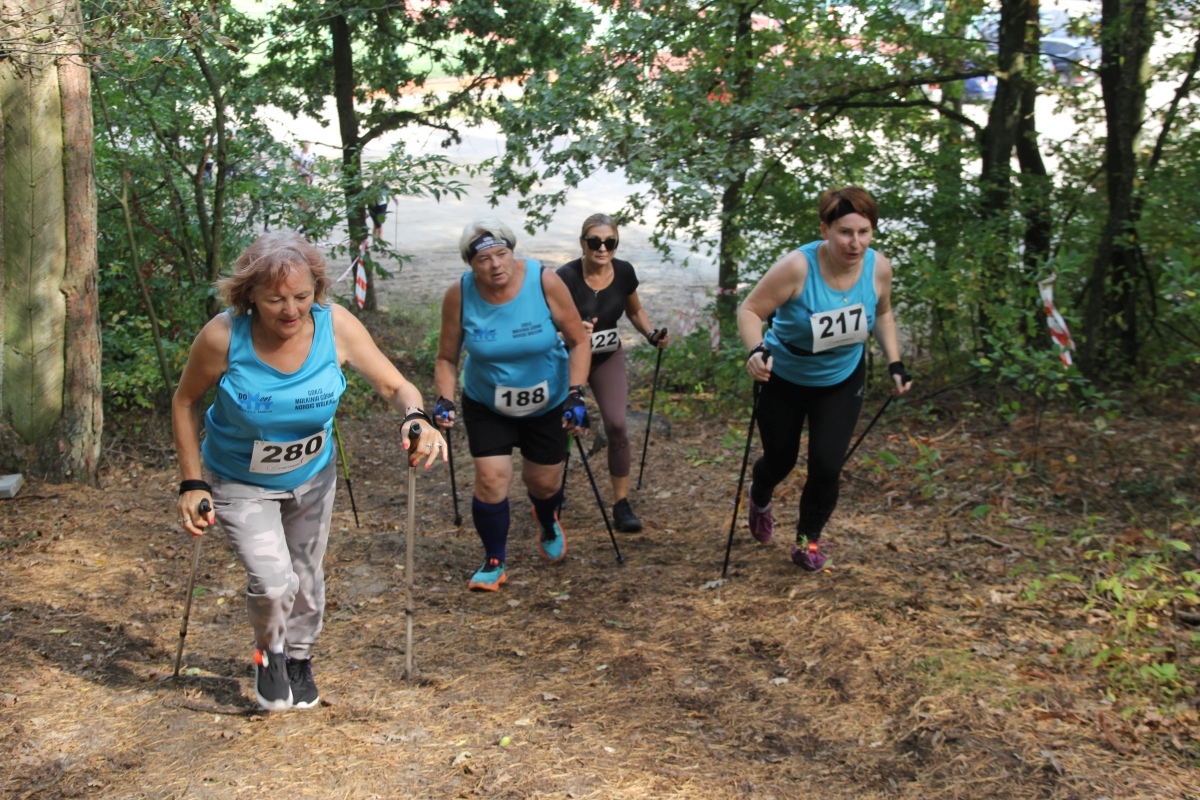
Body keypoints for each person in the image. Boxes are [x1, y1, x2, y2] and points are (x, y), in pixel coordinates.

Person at [172, 231, 446, 712]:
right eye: (276, 299)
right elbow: (185, 401)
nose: (291, 310)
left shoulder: (335, 325)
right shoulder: (223, 336)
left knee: (306, 576)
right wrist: (192, 482)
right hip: (239, 479)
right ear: (249, 295)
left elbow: (396, 385)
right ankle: (270, 650)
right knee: (275, 580)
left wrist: (415, 417)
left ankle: (299, 656)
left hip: (313, 476)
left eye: (301, 297)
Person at [737, 186, 912, 571]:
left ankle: (807, 541)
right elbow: (750, 310)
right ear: (825, 230)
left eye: (864, 232)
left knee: (827, 466)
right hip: (782, 376)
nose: (855, 242)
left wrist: (894, 363)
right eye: (845, 233)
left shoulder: (878, 267)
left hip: (841, 378)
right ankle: (760, 493)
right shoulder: (797, 267)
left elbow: (882, 314)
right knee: (780, 461)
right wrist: (755, 351)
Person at [433, 218, 591, 592]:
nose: (495, 265)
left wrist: (576, 393)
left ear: (512, 252)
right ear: (470, 265)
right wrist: (443, 398)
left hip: (549, 401)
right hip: (487, 402)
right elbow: (446, 357)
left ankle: (547, 517)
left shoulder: (544, 281)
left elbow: (578, 341)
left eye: (501, 254)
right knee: (491, 480)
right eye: (483, 259)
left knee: (543, 481)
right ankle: (493, 560)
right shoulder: (459, 294)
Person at [556, 214, 668, 533]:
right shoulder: (564, 277)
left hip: (606, 355)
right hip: (566, 357)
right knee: (564, 424)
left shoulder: (624, 272)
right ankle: (553, 490)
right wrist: (572, 332)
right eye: (595, 242)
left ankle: (621, 504)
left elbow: (634, 310)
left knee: (617, 425)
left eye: (610, 242)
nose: (602, 248)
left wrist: (650, 334)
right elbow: (546, 322)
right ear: (583, 243)